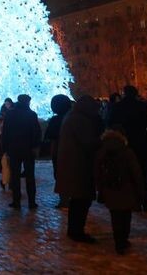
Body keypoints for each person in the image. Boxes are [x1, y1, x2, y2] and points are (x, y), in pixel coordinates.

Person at [56, 95, 104, 243]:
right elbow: (88, 143)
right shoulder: (80, 120)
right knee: (81, 200)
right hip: (79, 166)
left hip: (73, 165)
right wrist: (103, 139)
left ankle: (74, 230)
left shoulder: (72, 117)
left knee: (78, 201)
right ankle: (76, 231)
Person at [95, 128, 144, 255]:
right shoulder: (127, 152)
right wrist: (140, 189)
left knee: (115, 216)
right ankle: (124, 239)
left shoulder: (102, 152)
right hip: (126, 188)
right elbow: (136, 172)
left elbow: (98, 173)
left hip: (110, 189)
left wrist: (100, 189)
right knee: (126, 215)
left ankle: (118, 242)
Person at [106, 85, 147, 212]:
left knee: (126, 173)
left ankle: (132, 201)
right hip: (140, 143)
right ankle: (145, 202)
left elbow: (110, 123)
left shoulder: (118, 107)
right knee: (142, 174)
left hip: (124, 144)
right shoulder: (142, 106)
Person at [2, 94, 42, 209]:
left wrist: (5, 148)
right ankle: (32, 202)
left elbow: (6, 132)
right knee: (30, 176)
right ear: (28, 102)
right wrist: (35, 146)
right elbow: (37, 132)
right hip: (28, 150)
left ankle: (16, 201)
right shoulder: (32, 115)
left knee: (15, 176)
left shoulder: (10, 114)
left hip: (14, 149)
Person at [45, 94, 72, 208]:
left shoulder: (55, 120)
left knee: (60, 174)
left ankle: (64, 199)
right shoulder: (73, 118)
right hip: (71, 151)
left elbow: (50, 136)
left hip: (58, 151)